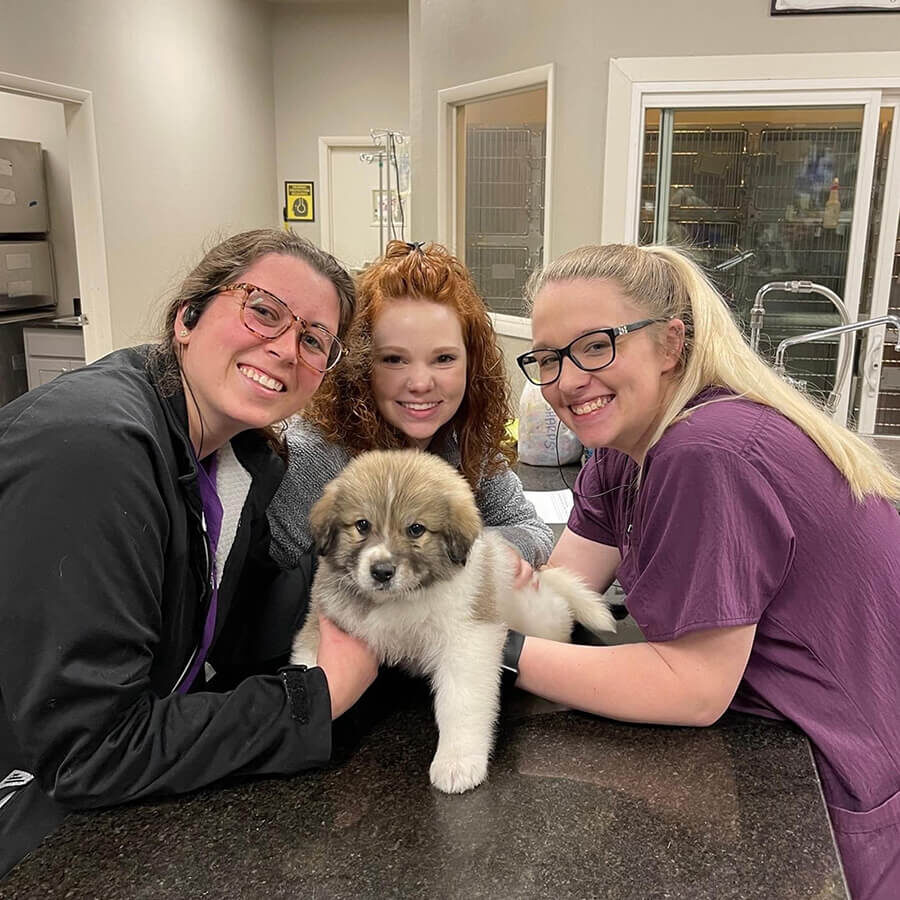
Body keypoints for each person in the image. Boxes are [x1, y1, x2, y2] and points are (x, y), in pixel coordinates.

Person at [511, 243, 900, 900]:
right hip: (774, 746)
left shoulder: (708, 451)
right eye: (548, 357)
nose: (568, 379)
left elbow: (691, 688)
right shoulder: (622, 449)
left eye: (596, 345)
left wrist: (493, 650)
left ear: (670, 345)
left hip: (834, 788)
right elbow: (558, 597)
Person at [0, 229, 379, 876]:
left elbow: (247, 622)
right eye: (263, 310)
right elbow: (90, 752)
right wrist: (317, 699)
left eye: (314, 339)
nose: (286, 348)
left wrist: (373, 581)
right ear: (187, 318)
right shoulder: (95, 451)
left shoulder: (234, 458)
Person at [268, 240, 553, 580]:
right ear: (360, 365)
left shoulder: (463, 439)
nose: (420, 383)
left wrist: (477, 551)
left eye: (443, 358)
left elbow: (531, 529)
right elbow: (264, 589)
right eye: (394, 359)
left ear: (471, 364)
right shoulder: (315, 459)